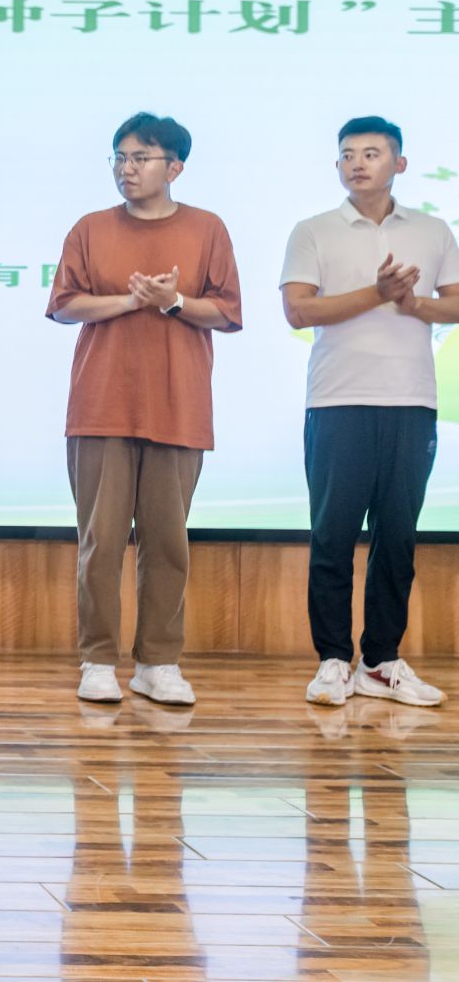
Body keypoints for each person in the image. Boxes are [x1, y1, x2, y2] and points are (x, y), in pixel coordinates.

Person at [47, 112, 242, 708]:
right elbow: (64, 305)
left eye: (140, 158)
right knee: (100, 542)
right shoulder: (90, 228)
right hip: (101, 405)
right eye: (120, 157)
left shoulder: (207, 228)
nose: (126, 169)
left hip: (179, 406)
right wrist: (130, 301)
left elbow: (227, 312)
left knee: (167, 543)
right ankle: (98, 659)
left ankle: (158, 662)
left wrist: (174, 300)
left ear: (175, 167)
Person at [281, 116, 458, 708]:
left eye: (372, 153)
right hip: (337, 402)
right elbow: (299, 311)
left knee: (397, 538)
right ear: (337, 165)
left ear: (399, 163)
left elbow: (455, 305)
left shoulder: (432, 230)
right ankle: (333, 661)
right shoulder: (313, 230)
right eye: (348, 154)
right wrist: (377, 294)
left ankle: (380, 662)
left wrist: (412, 303)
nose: (358, 163)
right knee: (332, 536)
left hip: (411, 403)